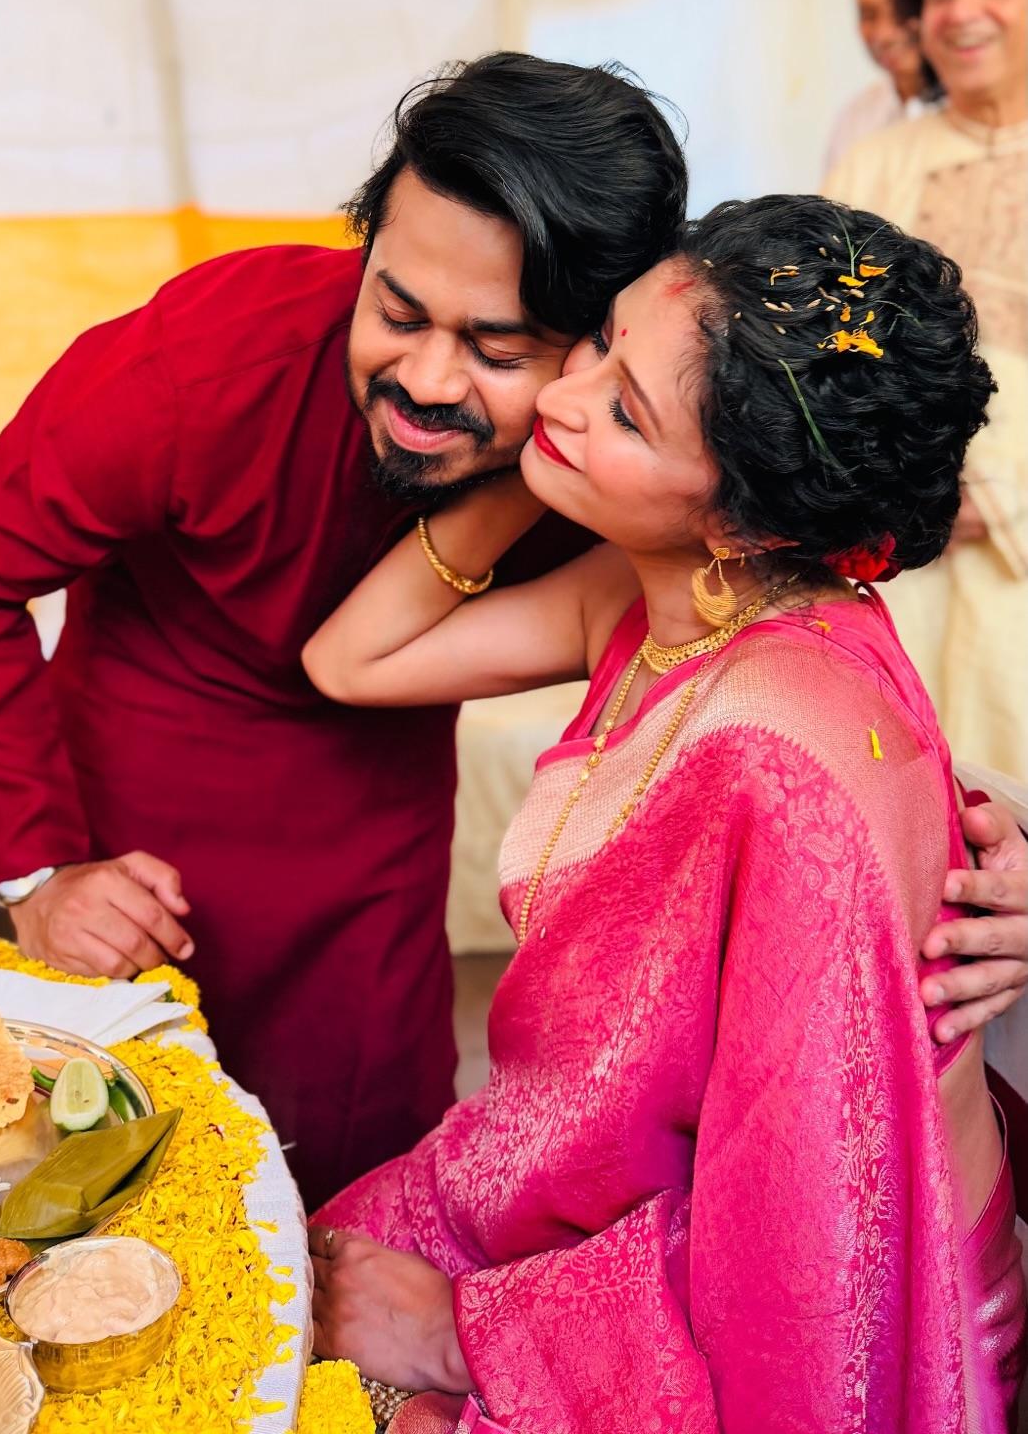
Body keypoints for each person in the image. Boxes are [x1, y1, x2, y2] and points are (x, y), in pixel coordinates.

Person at [0, 55, 686, 1209]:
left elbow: (760, 616)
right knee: (118, 1172)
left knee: (361, 1181)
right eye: (396, 311)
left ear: (597, 348)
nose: (425, 379)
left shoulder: (619, 452)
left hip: (375, 830)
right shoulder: (209, 358)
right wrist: (41, 869)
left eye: (496, 348)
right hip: (135, 806)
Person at [304, 196, 1025, 1434]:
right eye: (600, 340)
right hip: (575, 1171)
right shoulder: (661, 595)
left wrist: (470, 1332)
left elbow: (809, 1243)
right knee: (269, 1274)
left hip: (721, 1288)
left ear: (750, 518)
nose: (562, 389)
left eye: (629, 410)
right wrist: (555, 455)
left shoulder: (780, 750)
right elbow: (349, 660)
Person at [826, 0, 1028, 775]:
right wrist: (919, 494)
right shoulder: (871, 166)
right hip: (904, 558)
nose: (960, 10)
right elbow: (829, 354)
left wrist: (1008, 499)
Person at [823, 0, 941, 174]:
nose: (884, 34)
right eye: (869, 15)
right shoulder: (856, 119)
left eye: (902, 8)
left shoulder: (980, 111)